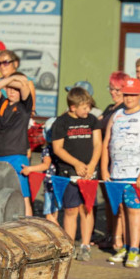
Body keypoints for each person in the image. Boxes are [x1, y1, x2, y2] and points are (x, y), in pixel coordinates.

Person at [101, 77, 140, 269]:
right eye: (126, 94)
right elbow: (106, 142)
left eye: (133, 94)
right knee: (122, 210)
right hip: (116, 173)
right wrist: (104, 168)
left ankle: (134, 250)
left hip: (137, 174)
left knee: (135, 209)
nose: (129, 98)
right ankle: (124, 246)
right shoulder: (116, 115)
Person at [52, 87, 102, 261]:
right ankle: (70, 244)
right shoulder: (61, 122)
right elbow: (57, 148)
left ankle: (86, 245)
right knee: (71, 210)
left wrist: (92, 165)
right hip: (69, 173)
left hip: (90, 173)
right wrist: (76, 163)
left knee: (86, 209)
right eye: (84, 108)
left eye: (89, 107)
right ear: (73, 107)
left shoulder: (92, 120)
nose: (87, 111)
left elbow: (98, 144)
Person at [0, 74, 33, 216]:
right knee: (1, 196)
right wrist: (9, 80)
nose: (11, 92)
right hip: (0, 156)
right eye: (9, 89)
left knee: (23, 196)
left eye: (15, 89)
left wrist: (18, 81)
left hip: (17, 156)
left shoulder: (25, 106)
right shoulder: (3, 103)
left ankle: (27, 228)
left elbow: (24, 85)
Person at [97, 72, 129, 251]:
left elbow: (99, 125)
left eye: (118, 89)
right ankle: (111, 235)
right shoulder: (110, 108)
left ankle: (121, 238)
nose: (114, 92)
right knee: (109, 201)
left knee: (119, 203)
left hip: (117, 162)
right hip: (105, 160)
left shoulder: (123, 108)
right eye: (112, 88)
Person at [21, 118, 58, 224]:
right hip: (58, 183)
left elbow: (46, 165)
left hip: (51, 185)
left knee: (49, 215)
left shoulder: (47, 149)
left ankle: (58, 237)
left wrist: (30, 169)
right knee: (54, 213)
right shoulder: (60, 148)